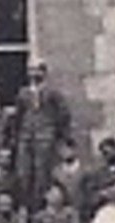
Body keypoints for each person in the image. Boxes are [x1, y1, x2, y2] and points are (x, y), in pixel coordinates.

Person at [12, 61, 72, 207]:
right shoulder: (23, 93)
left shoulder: (53, 93)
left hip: (45, 136)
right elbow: (18, 116)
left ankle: (41, 203)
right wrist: (18, 134)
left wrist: (57, 133)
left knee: (42, 172)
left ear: (44, 73)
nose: (33, 74)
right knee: (24, 173)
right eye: (31, 70)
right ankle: (26, 204)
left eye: (37, 70)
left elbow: (64, 115)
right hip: (26, 137)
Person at [50, 138, 86, 215]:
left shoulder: (85, 171)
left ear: (75, 150)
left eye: (67, 150)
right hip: (61, 213)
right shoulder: (56, 172)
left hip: (82, 212)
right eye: (61, 150)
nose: (64, 153)